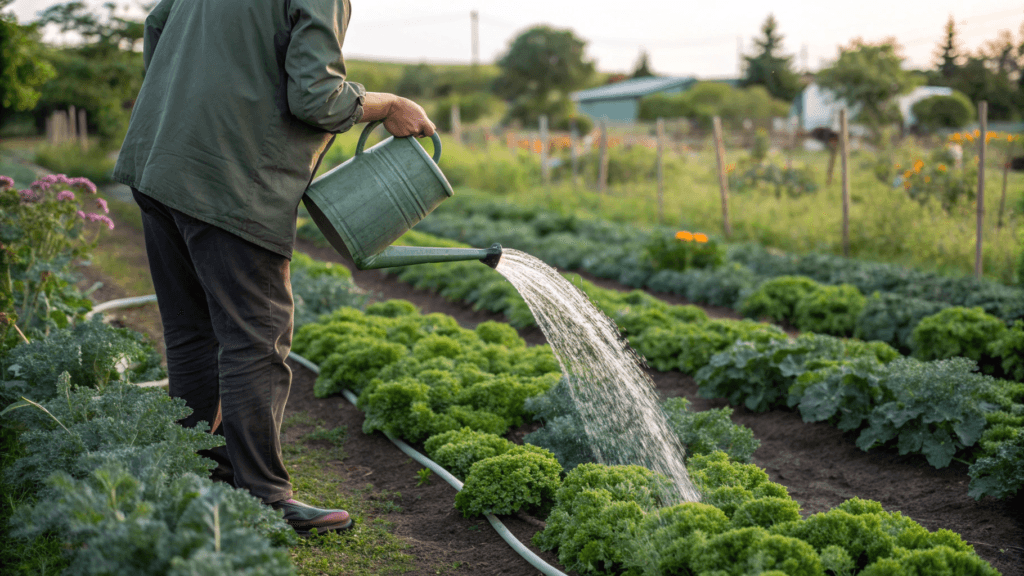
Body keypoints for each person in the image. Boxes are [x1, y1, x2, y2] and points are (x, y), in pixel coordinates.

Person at [112, 0, 435, 536]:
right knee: (256, 338)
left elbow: (155, 24)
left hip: (159, 159)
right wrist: (388, 104)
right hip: (232, 178)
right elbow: (318, 99)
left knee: (192, 331)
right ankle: (263, 498)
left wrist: (189, 104)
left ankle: (195, 478)